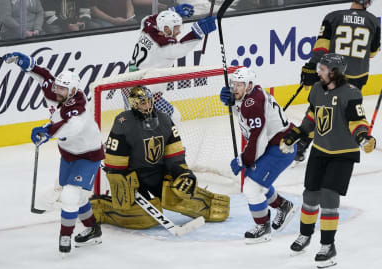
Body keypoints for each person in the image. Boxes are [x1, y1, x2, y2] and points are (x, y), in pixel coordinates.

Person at [280, 53, 376, 268]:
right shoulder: (316, 89)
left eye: (322, 69)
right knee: (310, 194)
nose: (318, 72)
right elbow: (312, 116)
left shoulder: (351, 94)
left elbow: (357, 121)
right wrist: (296, 134)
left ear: (334, 73)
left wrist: (363, 137)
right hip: (321, 150)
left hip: (343, 153)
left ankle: (327, 246)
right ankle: (305, 235)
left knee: (329, 196)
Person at [4, 52, 105, 256]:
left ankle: (65, 235)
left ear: (74, 90)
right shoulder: (57, 90)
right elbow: (45, 77)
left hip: (88, 154)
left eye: (63, 89)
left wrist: (46, 131)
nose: (57, 91)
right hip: (68, 153)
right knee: (77, 195)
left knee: (69, 195)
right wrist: (28, 64)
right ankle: (93, 229)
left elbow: (70, 128)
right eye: (58, 87)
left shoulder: (79, 108)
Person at [90, 85, 230, 230]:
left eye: (149, 101)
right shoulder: (123, 122)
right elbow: (115, 160)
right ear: (134, 104)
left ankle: (209, 202)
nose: (147, 105)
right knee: (142, 218)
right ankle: (102, 208)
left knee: (181, 196)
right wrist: (120, 180)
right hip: (134, 177)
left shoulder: (164, 119)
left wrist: (181, 172)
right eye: (142, 102)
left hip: (159, 173)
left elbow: (174, 153)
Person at [219, 67, 297, 244]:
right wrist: (233, 103)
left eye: (240, 85)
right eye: (234, 84)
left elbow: (258, 139)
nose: (235, 88)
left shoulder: (253, 104)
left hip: (281, 148)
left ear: (249, 85)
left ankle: (263, 228)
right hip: (275, 144)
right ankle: (284, 207)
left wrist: (243, 159)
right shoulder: (251, 95)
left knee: (251, 187)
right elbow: (246, 118)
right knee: (257, 181)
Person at [296, 0, 380, 162]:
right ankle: (341, 145)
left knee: (321, 108)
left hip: (333, 73)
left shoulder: (333, 17)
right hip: (357, 76)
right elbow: (372, 53)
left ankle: (303, 144)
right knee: (346, 110)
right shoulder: (373, 21)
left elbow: (321, 48)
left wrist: (312, 66)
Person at [125, 5, 216, 122]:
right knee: (173, 116)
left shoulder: (146, 27)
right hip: (144, 95)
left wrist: (171, 13)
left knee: (134, 122)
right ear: (166, 29)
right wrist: (198, 31)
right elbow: (181, 48)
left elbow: (151, 19)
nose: (179, 31)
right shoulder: (165, 46)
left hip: (126, 84)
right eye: (176, 28)